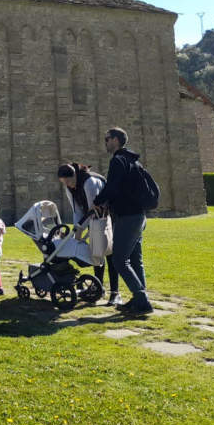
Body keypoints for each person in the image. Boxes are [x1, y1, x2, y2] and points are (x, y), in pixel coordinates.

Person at [93, 127, 153, 315]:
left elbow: (112, 187)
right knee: (135, 260)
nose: (105, 142)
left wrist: (96, 202)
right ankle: (138, 300)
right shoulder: (133, 161)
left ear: (116, 140)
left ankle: (142, 301)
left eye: (107, 139)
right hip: (138, 215)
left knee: (119, 260)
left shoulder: (118, 160)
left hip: (128, 217)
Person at [58, 162, 120, 305]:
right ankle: (98, 288)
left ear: (74, 175)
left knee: (110, 253)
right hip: (95, 219)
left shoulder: (89, 183)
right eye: (64, 182)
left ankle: (115, 293)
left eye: (68, 181)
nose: (67, 184)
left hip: (109, 217)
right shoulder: (69, 188)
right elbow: (77, 211)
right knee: (96, 252)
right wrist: (76, 230)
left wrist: (80, 228)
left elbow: (94, 209)